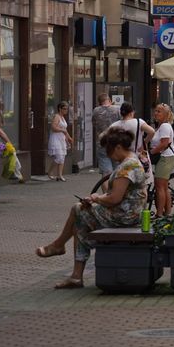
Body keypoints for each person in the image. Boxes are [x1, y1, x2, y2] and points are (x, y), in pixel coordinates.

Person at [35, 127, 147, 289]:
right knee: (81, 223)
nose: (108, 155)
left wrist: (96, 198)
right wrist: (97, 200)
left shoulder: (127, 166)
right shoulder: (130, 161)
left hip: (124, 215)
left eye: (109, 150)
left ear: (118, 147)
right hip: (126, 212)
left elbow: (115, 198)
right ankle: (75, 276)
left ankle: (58, 246)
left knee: (77, 209)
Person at [111, 102, 155, 173]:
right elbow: (152, 131)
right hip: (136, 156)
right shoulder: (138, 122)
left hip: (121, 157)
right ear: (131, 112)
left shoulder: (114, 125)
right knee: (138, 179)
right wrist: (144, 143)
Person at [149, 104, 174, 216]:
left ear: (166, 114)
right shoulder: (161, 126)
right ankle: (167, 213)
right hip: (165, 158)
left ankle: (159, 214)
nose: (156, 113)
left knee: (160, 187)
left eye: (159, 111)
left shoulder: (165, 126)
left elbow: (164, 143)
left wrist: (151, 152)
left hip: (165, 158)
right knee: (164, 187)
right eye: (155, 111)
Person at [90, 93, 120, 177]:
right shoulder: (117, 109)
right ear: (109, 100)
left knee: (106, 172)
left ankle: (107, 190)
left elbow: (94, 123)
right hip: (116, 142)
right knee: (117, 169)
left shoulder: (96, 110)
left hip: (102, 142)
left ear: (99, 102)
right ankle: (116, 189)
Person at [47, 102, 74, 181]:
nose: (66, 110)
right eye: (64, 109)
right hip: (56, 138)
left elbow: (65, 130)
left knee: (62, 157)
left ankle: (60, 175)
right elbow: (53, 127)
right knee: (58, 157)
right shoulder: (57, 116)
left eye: (67, 109)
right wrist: (62, 130)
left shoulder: (63, 118)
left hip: (61, 139)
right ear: (60, 109)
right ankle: (50, 172)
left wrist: (69, 138)